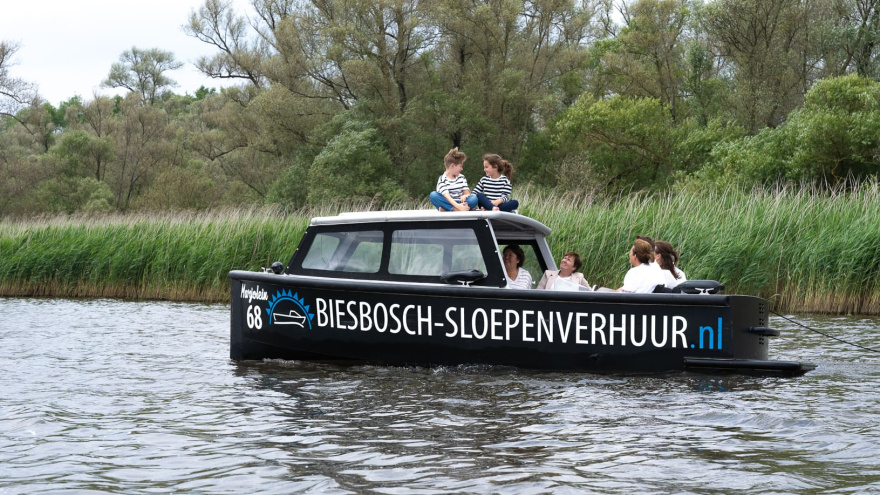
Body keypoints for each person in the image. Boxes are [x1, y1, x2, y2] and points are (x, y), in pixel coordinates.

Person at [429, 147, 478, 212]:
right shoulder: (442, 179)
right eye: (460, 166)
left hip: (460, 202)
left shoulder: (461, 177)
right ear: (452, 166)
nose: (462, 169)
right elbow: (447, 196)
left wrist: (465, 196)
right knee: (433, 195)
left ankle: (448, 209)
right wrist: (458, 207)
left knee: (474, 198)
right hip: (448, 201)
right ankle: (455, 209)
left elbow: (467, 193)